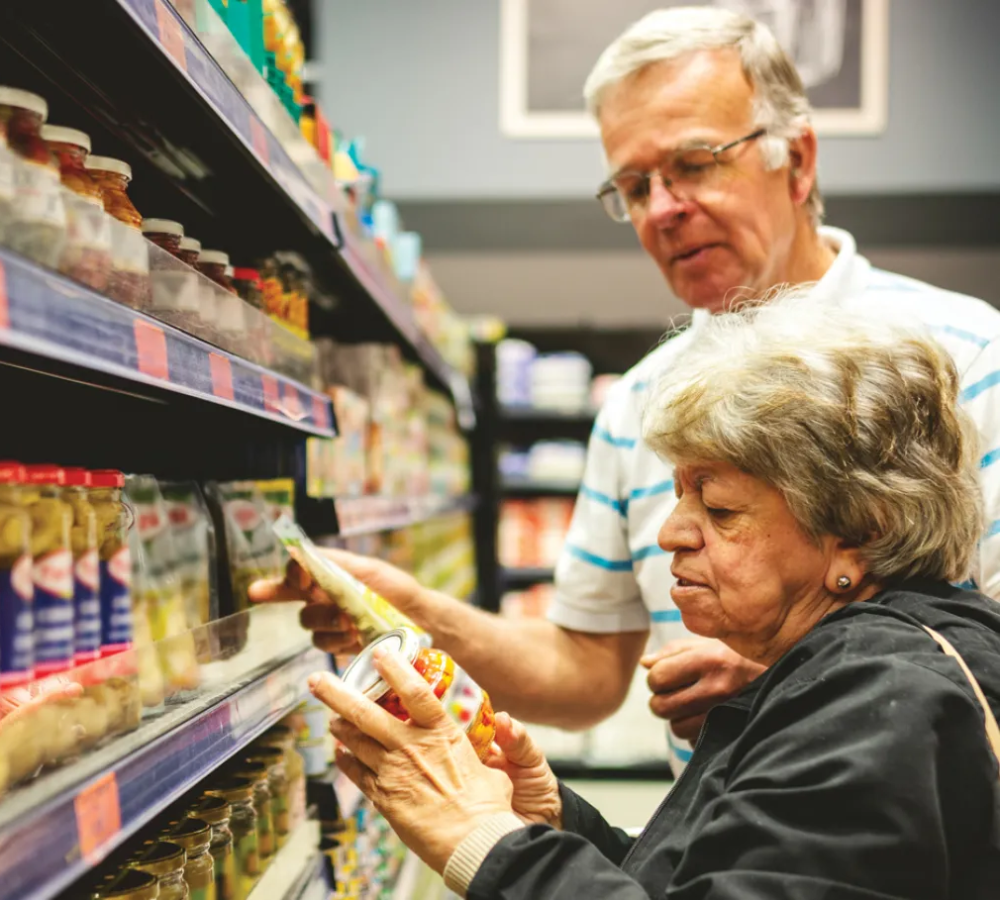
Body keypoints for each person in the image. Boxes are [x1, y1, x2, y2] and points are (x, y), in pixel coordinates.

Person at [252, 5, 1000, 768]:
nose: (665, 210)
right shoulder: (642, 405)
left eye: (697, 163)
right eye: (635, 186)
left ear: (798, 161)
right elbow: (585, 672)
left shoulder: (968, 358)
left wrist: (800, 682)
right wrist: (415, 612)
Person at [306, 296, 1000, 899]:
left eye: (720, 509)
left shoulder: (877, 702)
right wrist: (553, 822)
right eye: (679, 497)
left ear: (859, 531)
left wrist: (481, 840)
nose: (670, 533)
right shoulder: (860, 668)